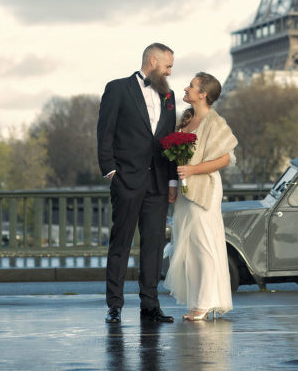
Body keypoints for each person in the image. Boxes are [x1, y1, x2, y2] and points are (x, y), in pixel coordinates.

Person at [97, 42, 178, 324]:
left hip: (157, 183)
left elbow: (169, 141)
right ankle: (115, 305)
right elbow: (104, 133)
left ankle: (150, 305)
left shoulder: (169, 96)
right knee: (120, 243)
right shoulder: (117, 88)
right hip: (126, 180)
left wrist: (172, 181)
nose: (170, 70)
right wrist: (111, 172)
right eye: (168, 65)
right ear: (152, 61)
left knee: (153, 246)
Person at [164, 72, 238, 321]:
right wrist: (173, 183)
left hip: (205, 187)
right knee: (189, 247)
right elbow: (176, 160)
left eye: (192, 86)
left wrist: (193, 170)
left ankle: (205, 302)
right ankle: (198, 300)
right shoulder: (185, 120)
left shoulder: (215, 122)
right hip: (185, 189)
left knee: (204, 245)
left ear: (203, 94)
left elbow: (226, 158)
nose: (186, 89)